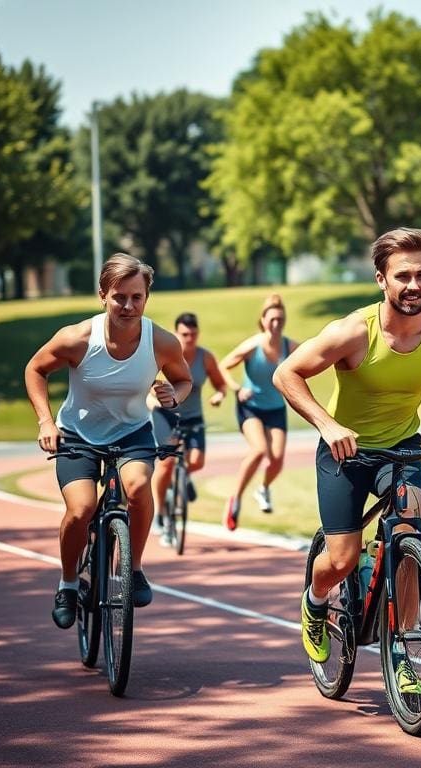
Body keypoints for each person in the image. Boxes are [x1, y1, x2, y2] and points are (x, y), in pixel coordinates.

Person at [273, 227, 421, 693]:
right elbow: (286, 373)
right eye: (403, 276)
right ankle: (315, 601)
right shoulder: (353, 332)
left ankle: (403, 648)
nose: (414, 286)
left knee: (409, 533)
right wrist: (327, 425)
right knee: (343, 559)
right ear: (381, 280)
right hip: (344, 454)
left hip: (403, 448)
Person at [24, 253, 193, 628]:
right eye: (120, 297)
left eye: (137, 297)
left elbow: (183, 380)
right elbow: (35, 369)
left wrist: (174, 396)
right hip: (77, 435)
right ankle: (68, 583)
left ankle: (132, 570)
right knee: (82, 509)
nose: (128, 306)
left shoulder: (162, 341)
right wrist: (45, 422)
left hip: (132, 432)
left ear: (147, 297)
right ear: (103, 295)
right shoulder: (78, 338)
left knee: (137, 487)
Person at [218, 294, 299, 530]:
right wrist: (236, 388)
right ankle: (235, 499)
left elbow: (315, 357)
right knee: (259, 450)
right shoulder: (253, 346)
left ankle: (262, 488)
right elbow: (223, 366)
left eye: (280, 320)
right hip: (250, 406)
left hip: (275, 408)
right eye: (272, 319)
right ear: (263, 321)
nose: (276, 324)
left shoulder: (289, 346)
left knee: (276, 460)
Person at [148, 312, 228, 546]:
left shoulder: (205, 358)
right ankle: (161, 514)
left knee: (197, 461)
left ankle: (182, 480)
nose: (189, 339)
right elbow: (143, 384)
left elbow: (220, 384)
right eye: (184, 334)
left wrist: (219, 395)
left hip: (193, 417)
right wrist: (152, 402)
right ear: (176, 333)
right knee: (166, 464)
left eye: (193, 334)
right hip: (166, 415)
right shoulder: (165, 355)